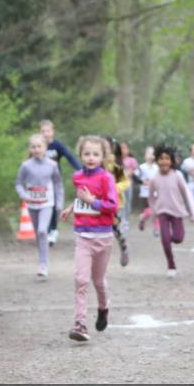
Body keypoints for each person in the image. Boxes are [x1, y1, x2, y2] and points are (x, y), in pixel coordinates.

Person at [59, 136, 118, 342]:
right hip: (83, 235)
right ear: (81, 155)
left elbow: (112, 206)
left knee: (98, 281)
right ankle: (80, 323)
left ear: (103, 156)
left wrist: (91, 201)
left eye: (95, 154)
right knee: (81, 280)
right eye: (87, 154)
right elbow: (80, 197)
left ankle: (103, 308)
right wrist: (71, 208)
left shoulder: (106, 178)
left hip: (103, 236)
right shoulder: (78, 177)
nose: (91, 158)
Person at [15, 134, 64, 278]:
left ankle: (44, 264)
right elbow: (18, 183)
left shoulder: (52, 165)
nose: (36, 149)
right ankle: (42, 260)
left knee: (43, 231)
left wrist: (59, 204)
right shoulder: (26, 165)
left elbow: (58, 185)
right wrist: (24, 195)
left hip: (47, 203)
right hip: (32, 204)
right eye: (33, 147)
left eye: (39, 146)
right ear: (30, 149)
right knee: (38, 234)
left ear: (45, 148)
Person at [144, 148, 194, 278]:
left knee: (178, 238)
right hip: (162, 212)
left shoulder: (177, 175)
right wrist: (154, 210)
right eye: (161, 159)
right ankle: (171, 265)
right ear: (157, 161)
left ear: (171, 161)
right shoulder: (155, 178)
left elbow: (186, 194)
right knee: (165, 239)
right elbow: (150, 197)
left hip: (177, 212)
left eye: (167, 158)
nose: (164, 161)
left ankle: (171, 238)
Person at [39, 120, 81, 245]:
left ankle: (53, 230)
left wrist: (81, 170)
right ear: (39, 133)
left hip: (54, 181)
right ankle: (45, 230)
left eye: (48, 131)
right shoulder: (38, 146)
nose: (46, 134)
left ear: (53, 132)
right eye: (43, 131)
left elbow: (70, 157)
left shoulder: (57, 145)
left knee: (54, 206)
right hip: (41, 182)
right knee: (43, 206)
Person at [103, 136, 131, 267]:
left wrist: (114, 188)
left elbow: (125, 182)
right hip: (97, 204)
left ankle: (123, 247)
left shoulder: (115, 167)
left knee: (116, 229)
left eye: (106, 147)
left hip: (115, 204)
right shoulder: (94, 165)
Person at [137, 146, 159, 234]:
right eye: (149, 153)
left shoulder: (157, 167)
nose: (151, 156)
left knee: (156, 210)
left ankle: (156, 228)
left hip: (156, 193)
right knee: (150, 210)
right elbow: (137, 178)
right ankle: (143, 218)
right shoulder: (141, 167)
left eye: (152, 154)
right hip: (145, 193)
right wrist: (143, 182)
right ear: (145, 155)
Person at [119, 141, 139, 223]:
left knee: (127, 202)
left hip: (129, 184)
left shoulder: (132, 160)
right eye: (121, 148)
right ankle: (119, 218)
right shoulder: (117, 160)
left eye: (125, 148)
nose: (123, 150)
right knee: (120, 202)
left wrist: (129, 172)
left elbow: (136, 170)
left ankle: (126, 219)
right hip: (119, 185)